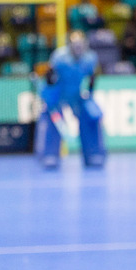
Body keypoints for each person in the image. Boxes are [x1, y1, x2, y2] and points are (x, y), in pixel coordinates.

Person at [35, 30, 106, 169]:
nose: (78, 48)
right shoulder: (59, 58)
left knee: (92, 116)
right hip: (58, 94)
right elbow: (50, 79)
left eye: (81, 44)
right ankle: (49, 155)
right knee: (52, 119)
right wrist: (49, 99)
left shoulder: (90, 58)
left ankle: (94, 154)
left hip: (78, 95)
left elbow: (91, 78)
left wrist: (88, 93)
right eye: (75, 45)